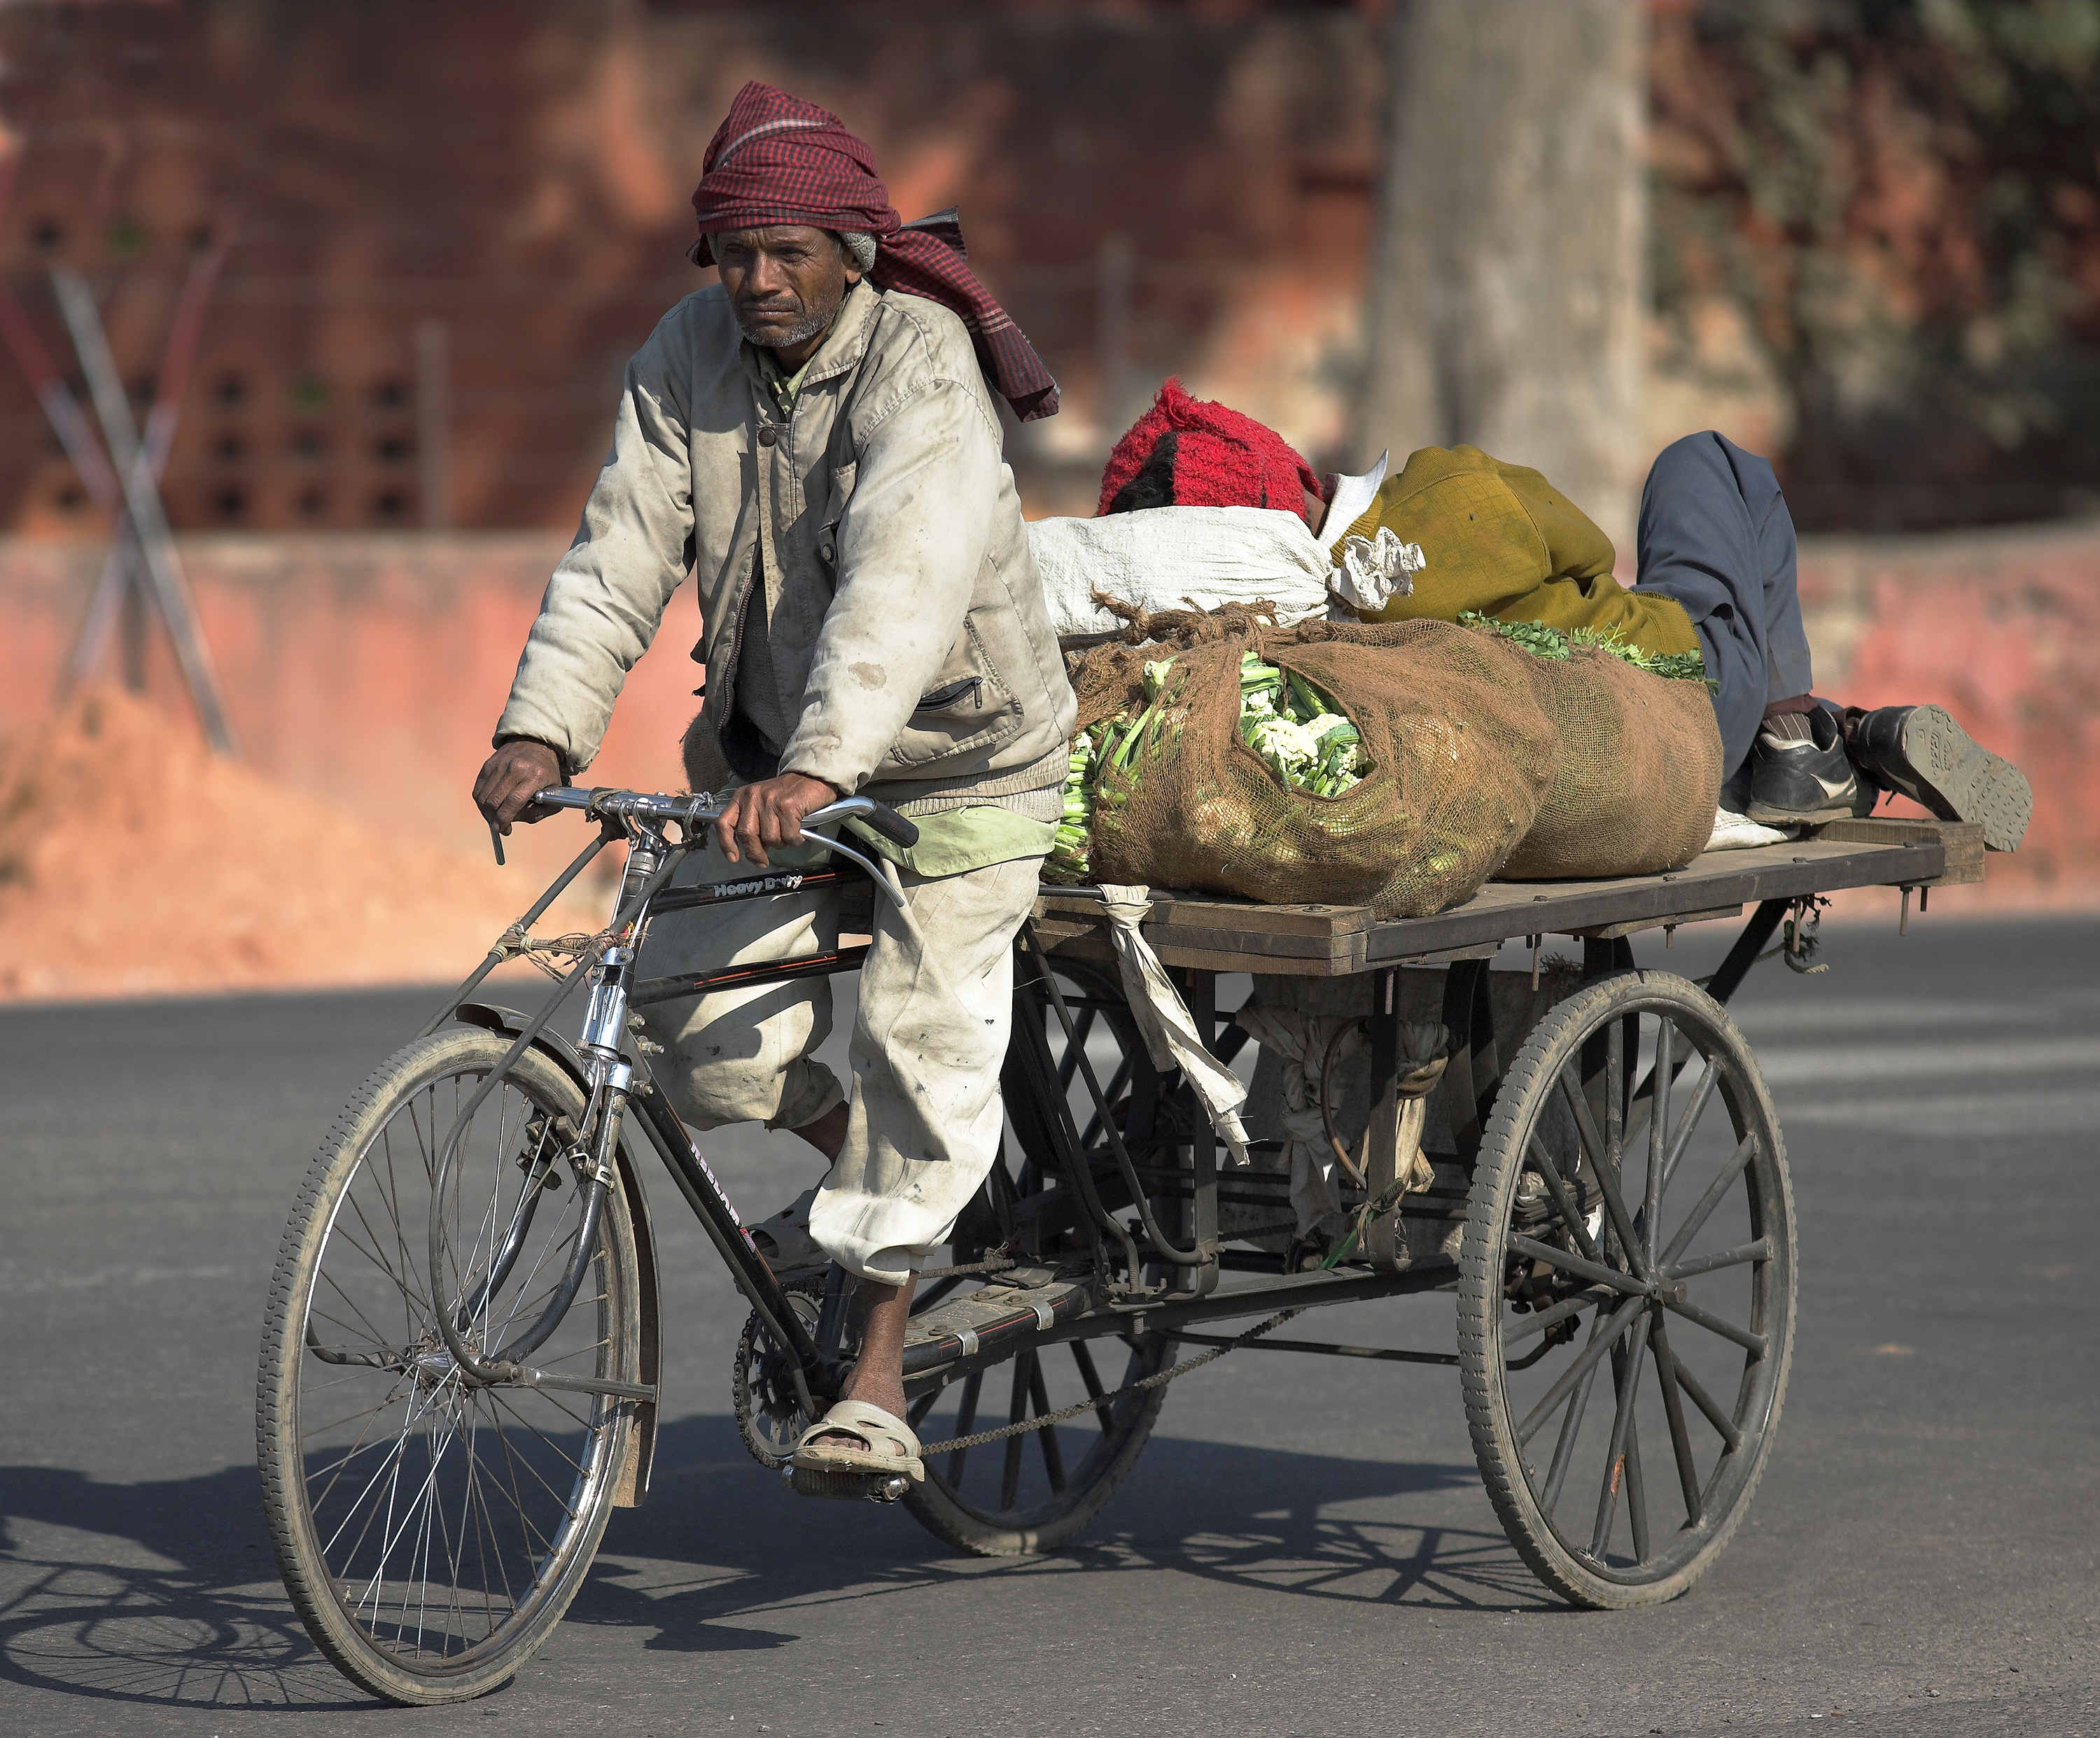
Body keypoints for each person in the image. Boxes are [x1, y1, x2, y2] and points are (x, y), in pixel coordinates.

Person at [472, 82, 1074, 1490]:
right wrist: (540, 732)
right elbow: (621, 552)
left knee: (923, 1039)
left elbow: (903, 579)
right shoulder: (686, 355)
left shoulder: (920, 360)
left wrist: (824, 760)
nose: (756, 280)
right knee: (698, 1030)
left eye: (788, 251)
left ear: (853, 251)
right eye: (735, 254)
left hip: (958, 761)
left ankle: (873, 1374)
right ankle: (895, 1184)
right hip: (769, 769)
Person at [1097, 381, 2033, 850]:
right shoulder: (1438, 493)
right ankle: (1796, 731)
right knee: (1703, 463)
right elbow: (1580, 545)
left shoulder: (1247, 640)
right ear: (1280, 472)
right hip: (1672, 694)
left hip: (1507, 754)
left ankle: (1825, 732)